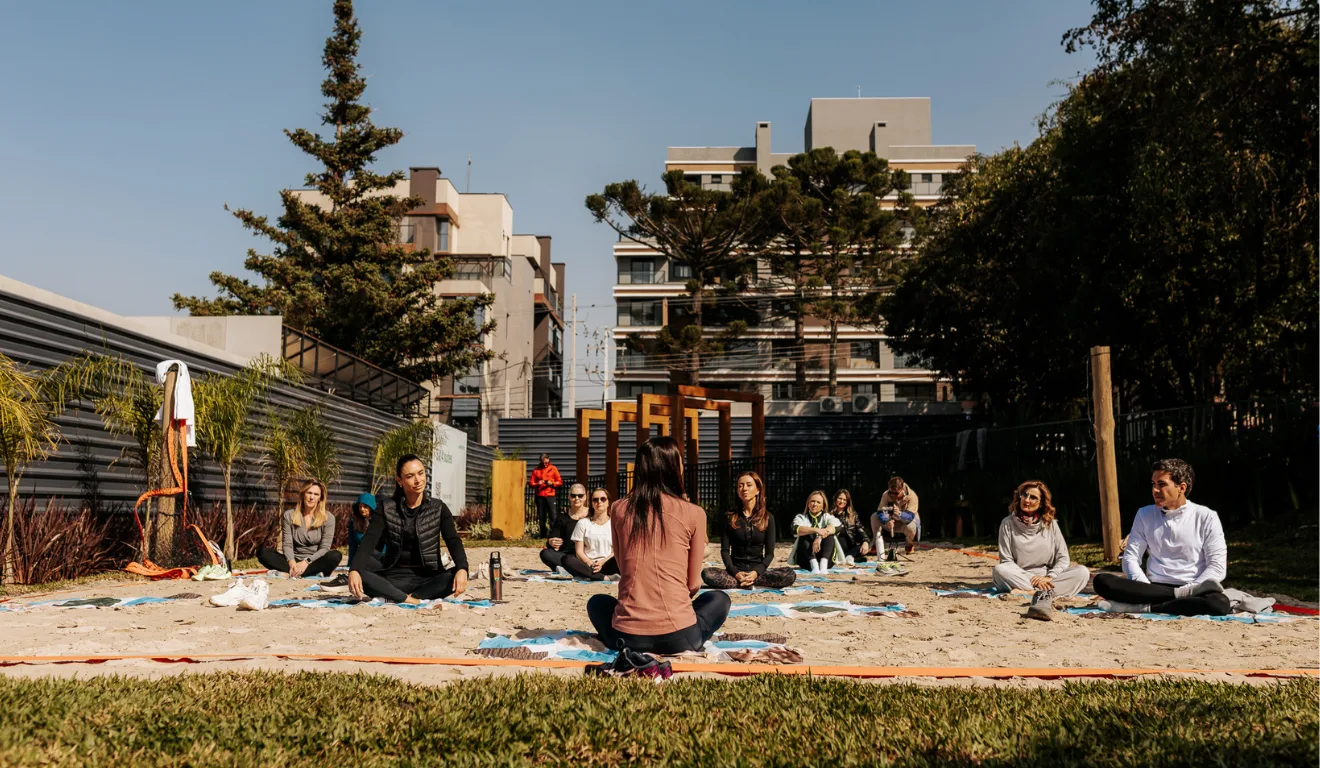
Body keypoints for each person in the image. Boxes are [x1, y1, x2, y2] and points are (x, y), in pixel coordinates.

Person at [586, 436, 731, 654]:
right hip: (680, 636)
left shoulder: (618, 509)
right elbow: (693, 584)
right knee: (719, 598)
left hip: (626, 636)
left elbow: (624, 568)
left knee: (597, 603)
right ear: (673, 467)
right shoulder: (694, 513)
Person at [1092, 459, 1230, 616]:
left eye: (1161, 484)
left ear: (1181, 488)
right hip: (1152, 586)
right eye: (1153, 484)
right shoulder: (1145, 514)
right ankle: (1176, 598)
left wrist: (1193, 587)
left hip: (1195, 587)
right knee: (1102, 581)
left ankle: (1144, 607)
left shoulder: (1206, 517)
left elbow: (1217, 568)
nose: (1155, 490)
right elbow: (1130, 558)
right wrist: (1143, 586)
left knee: (1219, 604)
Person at [347, 455, 469, 604]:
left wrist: (462, 568)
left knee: (455, 574)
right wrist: (354, 570)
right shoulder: (386, 508)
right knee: (360, 574)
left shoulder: (438, 508)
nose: (418, 480)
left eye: (421, 473)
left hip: (429, 577)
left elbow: (453, 540)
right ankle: (410, 599)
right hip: (394, 577)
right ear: (399, 481)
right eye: (410, 476)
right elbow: (369, 541)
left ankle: (402, 597)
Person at [992, 480, 1092, 621]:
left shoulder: (1051, 524)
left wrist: (1049, 577)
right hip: (1021, 577)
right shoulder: (1007, 524)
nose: (1027, 500)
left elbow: (1063, 558)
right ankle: (1044, 593)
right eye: (1024, 495)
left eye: (1033, 497)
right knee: (999, 570)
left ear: (1041, 503)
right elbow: (1006, 561)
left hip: (1048, 579)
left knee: (1082, 572)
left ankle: (1030, 593)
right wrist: (1031, 579)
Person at [701, 471, 796, 589]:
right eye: (740, 485)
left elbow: (769, 553)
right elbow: (725, 550)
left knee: (789, 575)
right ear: (737, 491)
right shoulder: (730, 517)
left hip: (758, 573)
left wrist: (756, 573)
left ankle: (750, 581)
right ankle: (742, 581)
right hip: (735, 572)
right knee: (707, 574)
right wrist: (736, 573)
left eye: (748, 485)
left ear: (758, 490)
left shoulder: (768, 518)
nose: (744, 488)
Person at [257, 479, 341, 577]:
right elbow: (287, 544)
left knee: (335, 556)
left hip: (315, 561)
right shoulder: (289, 515)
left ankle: (294, 573)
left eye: (316, 494)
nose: (311, 497)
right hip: (294, 561)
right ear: (303, 494)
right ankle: (303, 572)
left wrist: (306, 562)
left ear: (320, 498)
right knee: (263, 553)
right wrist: (292, 562)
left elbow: (325, 548)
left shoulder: (328, 517)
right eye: (309, 493)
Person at [563, 488, 619, 581]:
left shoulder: (615, 523)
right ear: (592, 503)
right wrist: (590, 563)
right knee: (567, 559)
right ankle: (603, 578)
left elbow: (615, 551)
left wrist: (601, 562)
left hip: (608, 563)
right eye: (595, 499)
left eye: (603, 499)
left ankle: (588, 575)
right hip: (588, 565)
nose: (599, 502)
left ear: (608, 502)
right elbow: (579, 551)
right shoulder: (583, 523)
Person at [788, 490, 845, 574]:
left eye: (818, 502)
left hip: (826, 559)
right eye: (812, 501)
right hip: (806, 560)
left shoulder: (827, 517)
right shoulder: (801, 517)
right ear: (808, 504)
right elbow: (795, 529)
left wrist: (820, 536)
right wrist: (816, 530)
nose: (814, 504)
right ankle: (814, 565)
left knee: (829, 534)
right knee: (805, 533)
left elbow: (837, 526)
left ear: (823, 506)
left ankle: (823, 565)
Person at [539, 483, 590, 574]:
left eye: (580, 495)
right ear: (569, 497)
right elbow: (552, 538)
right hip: (566, 555)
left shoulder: (591, 515)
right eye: (573, 495)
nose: (576, 498)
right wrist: (551, 541)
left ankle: (569, 568)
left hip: (587, 554)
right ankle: (570, 568)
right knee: (545, 553)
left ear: (586, 496)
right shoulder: (562, 516)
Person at [872, 476, 920, 556]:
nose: (893, 495)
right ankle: (877, 543)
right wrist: (886, 520)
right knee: (874, 517)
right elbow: (881, 511)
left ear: (902, 490)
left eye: (896, 493)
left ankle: (909, 544)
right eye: (891, 492)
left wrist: (900, 514)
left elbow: (910, 516)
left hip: (905, 523)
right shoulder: (886, 495)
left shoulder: (912, 496)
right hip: (891, 523)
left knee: (911, 525)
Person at [831, 488, 872, 565]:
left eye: (845, 500)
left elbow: (861, 531)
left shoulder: (852, 515)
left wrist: (865, 542)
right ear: (835, 498)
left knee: (865, 548)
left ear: (848, 502)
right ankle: (847, 557)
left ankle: (848, 556)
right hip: (834, 548)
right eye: (840, 498)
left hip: (851, 549)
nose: (842, 501)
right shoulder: (829, 514)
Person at [346, 492, 387, 567]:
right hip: (363, 555)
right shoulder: (354, 522)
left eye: (365, 507)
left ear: (371, 507)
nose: (362, 509)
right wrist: (350, 565)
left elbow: (385, 544)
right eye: (360, 506)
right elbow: (353, 546)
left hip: (380, 557)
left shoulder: (380, 521)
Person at [529, 453, 563, 536]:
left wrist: (552, 483)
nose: (545, 464)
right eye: (543, 462)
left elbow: (559, 481)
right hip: (540, 495)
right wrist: (537, 483)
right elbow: (531, 483)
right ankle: (543, 534)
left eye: (546, 462)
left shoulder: (553, 468)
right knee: (541, 516)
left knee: (553, 515)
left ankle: (553, 533)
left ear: (548, 460)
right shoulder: (536, 470)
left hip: (551, 495)